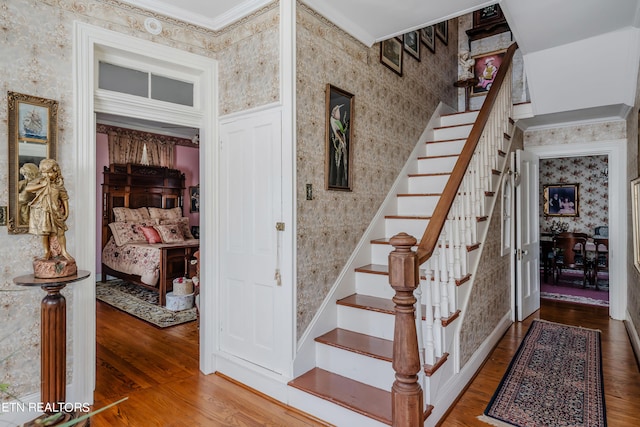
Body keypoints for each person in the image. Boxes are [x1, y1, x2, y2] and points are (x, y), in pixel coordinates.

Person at [26, 159, 73, 261]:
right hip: (44, 211)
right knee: (45, 233)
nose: (47, 175)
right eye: (44, 172)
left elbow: (64, 199)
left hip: (56, 211)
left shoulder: (58, 186)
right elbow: (27, 188)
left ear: (56, 173)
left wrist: (67, 212)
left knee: (61, 232)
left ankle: (64, 251)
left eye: (50, 172)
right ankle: (46, 252)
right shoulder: (40, 181)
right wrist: (41, 185)